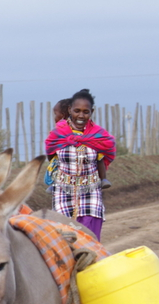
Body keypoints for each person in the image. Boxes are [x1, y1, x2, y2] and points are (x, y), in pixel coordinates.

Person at [45, 88, 116, 239]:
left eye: (86, 112)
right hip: (63, 191)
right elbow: (51, 152)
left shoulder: (98, 135)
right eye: (77, 110)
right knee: (64, 238)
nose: (81, 115)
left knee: (89, 238)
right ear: (70, 110)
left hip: (91, 192)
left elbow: (106, 152)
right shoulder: (58, 133)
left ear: (92, 112)